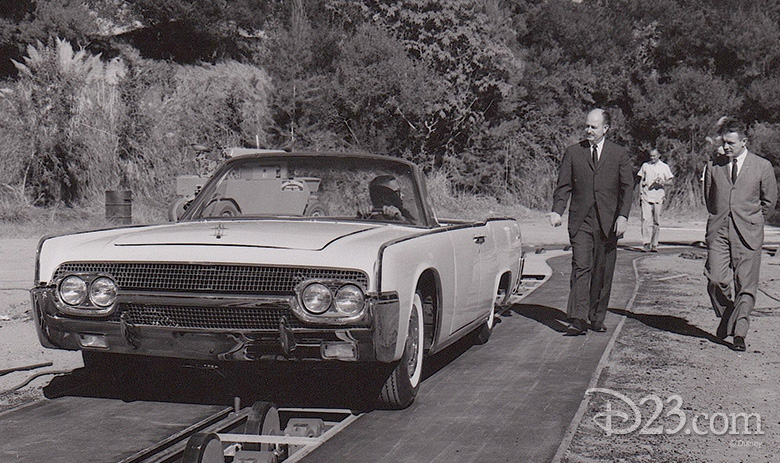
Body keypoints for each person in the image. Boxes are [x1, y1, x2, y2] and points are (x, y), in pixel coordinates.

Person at [550, 108, 634, 336]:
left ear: (605, 129)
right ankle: (578, 318)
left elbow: (628, 189)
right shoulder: (573, 153)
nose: (588, 130)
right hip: (581, 221)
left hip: (608, 222)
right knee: (581, 266)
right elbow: (564, 186)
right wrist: (558, 210)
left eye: (593, 127)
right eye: (586, 125)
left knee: (602, 271)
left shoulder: (619, 154)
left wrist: (623, 216)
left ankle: (596, 317)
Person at [703, 118, 777, 352]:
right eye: (724, 142)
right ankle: (728, 315)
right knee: (715, 278)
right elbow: (709, 198)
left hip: (749, 232)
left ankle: (739, 334)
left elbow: (769, 201)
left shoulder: (762, 166)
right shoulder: (714, 165)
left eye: (731, 143)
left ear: (744, 142)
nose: (726, 147)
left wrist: (753, 220)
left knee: (745, 285)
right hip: (720, 231)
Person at [637, 148, 674, 252]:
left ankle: (654, 244)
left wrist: (662, 182)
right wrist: (640, 194)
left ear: (659, 156)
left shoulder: (664, 167)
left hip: (658, 196)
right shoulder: (645, 165)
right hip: (646, 195)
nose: (652, 158)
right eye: (651, 156)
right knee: (645, 219)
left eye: (654, 156)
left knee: (656, 221)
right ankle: (646, 243)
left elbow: (670, 181)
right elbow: (641, 180)